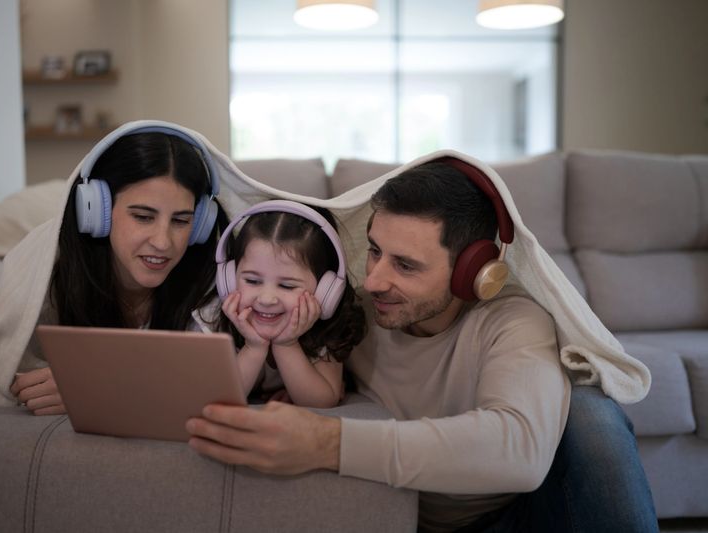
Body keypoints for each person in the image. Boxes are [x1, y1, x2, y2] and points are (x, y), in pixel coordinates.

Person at [185, 156, 658, 532]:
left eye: (406, 265)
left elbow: (520, 451)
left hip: (513, 519)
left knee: (592, 413)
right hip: (396, 516)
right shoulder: (352, 309)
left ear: (473, 271)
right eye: (374, 251)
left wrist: (326, 442)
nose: (374, 280)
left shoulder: (513, 320)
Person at [0, 121, 228, 414]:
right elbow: (9, 381)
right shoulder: (48, 268)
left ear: (200, 225)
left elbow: (221, 377)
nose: (163, 242)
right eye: (143, 217)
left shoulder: (214, 274)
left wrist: (99, 386)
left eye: (181, 221)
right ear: (96, 211)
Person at [198, 200, 366, 407]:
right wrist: (254, 347)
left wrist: (287, 344)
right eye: (252, 281)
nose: (266, 299)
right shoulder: (215, 318)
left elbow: (321, 402)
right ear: (229, 279)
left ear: (325, 291)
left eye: (287, 286)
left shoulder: (326, 329)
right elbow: (218, 399)